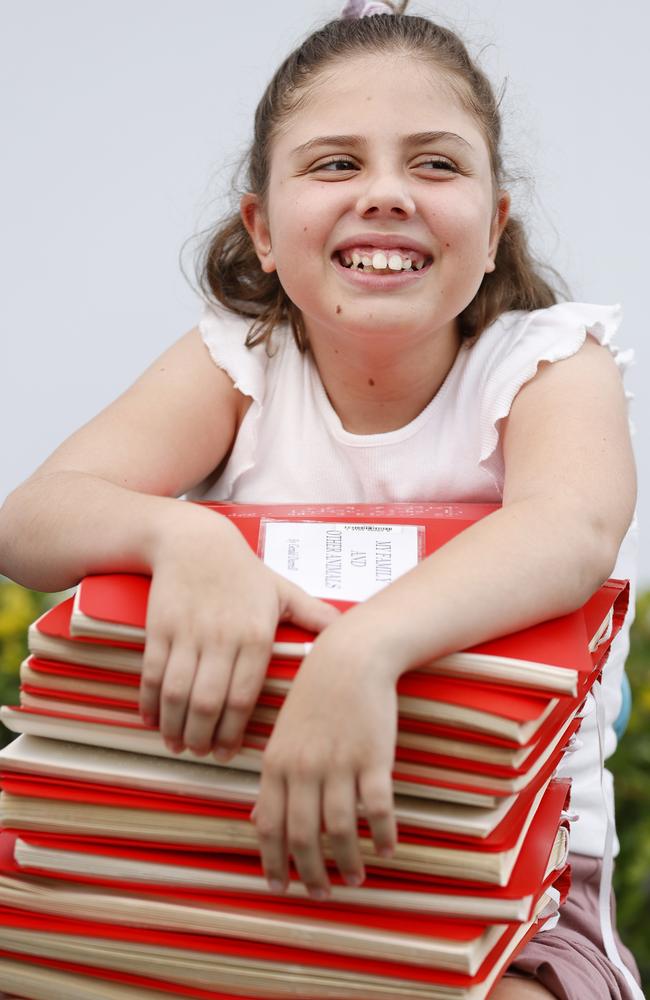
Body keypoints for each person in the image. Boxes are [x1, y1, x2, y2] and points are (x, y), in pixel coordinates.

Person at [0, 1, 643, 997]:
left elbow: (569, 529)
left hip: (511, 898)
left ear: (492, 227)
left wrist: (362, 646)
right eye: (334, 163)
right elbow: (30, 520)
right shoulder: (238, 363)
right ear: (260, 227)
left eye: (433, 164)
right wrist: (183, 535)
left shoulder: (549, 365)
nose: (385, 193)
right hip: (224, 870)